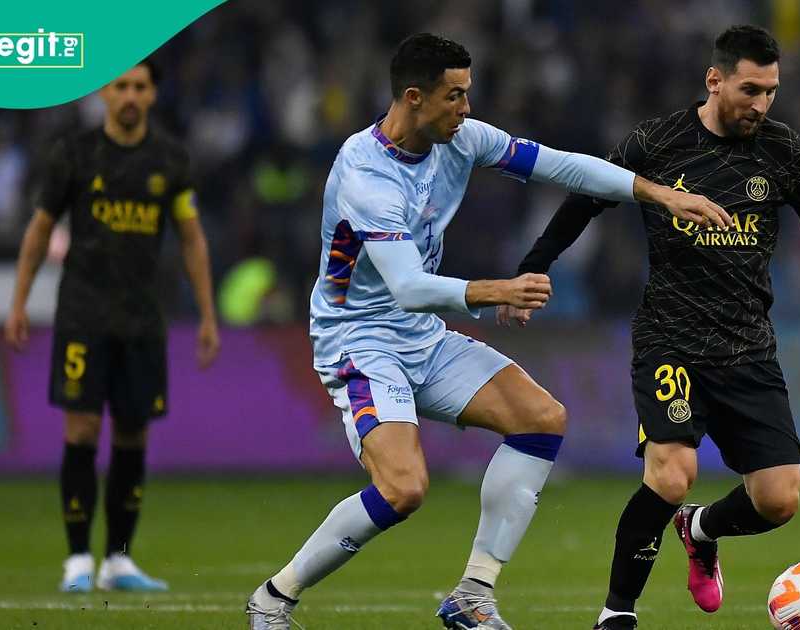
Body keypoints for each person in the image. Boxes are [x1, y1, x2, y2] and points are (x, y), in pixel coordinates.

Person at [244, 33, 730, 630]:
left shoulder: (463, 139)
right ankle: (275, 596)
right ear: (414, 97)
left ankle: (473, 593)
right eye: (454, 95)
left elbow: (561, 165)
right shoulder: (365, 174)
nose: (466, 108)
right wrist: (498, 290)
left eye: (467, 93)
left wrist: (654, 194)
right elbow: (407, 285)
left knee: (541, 419)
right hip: (360, 341)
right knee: (403, 488)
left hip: (421, 335)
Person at [499, 25, 800, 629]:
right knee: (671, 474)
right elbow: (585, 196)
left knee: (779, 499)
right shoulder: (658, 141)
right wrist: (532, 267)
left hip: (748, 349)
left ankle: (701, 529)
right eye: (750, 90)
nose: (761, 104)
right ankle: (617, 613)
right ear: (715, 80)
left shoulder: (783, 151)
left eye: (771, 92)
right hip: (670, 341)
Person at [4, 60, 221, 593]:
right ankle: (78, 558)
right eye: (121, 86)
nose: (130, 95)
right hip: (83, 315)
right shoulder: (74, 154)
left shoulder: (169, 160)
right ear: (104, 93)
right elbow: (40, 229)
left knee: (133, 433)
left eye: (139, 87)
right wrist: (18, 302)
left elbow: (191, 237)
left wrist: (207, 314)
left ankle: (118, 560)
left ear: (152, 96)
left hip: (142, 320)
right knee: (81, 430)